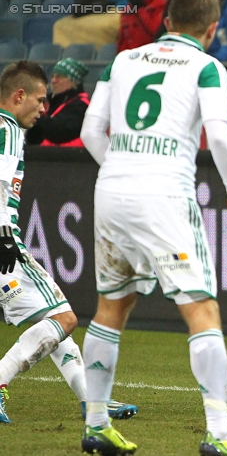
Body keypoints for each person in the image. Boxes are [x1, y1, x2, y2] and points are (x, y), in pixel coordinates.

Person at [79, 0, 227, 453]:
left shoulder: (123, 59)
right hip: (165, 195)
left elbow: (90, 131)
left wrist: (119, 168)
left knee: (111, 306)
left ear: (168, 20)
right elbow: (217, 134)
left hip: (112, 191)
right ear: (212, 29)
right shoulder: (207, 67)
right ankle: (219, 433)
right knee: (201, 309)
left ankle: (96, 424)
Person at [0, 61, 138, 424]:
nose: (45, 109)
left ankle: (91, 397)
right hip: (3, 242)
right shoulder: (9, 130)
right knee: (64, 317)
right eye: (41, 100)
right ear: (19, 96)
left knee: (52, 315)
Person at [25, 58, 91, 147]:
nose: (53, 80)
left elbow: (60, 131)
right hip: (43, 157)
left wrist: (35, 116)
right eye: (52, 76)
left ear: (73, 80)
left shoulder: (81, 105)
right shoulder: (50, 103)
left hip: (69, 158)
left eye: (59, 77)